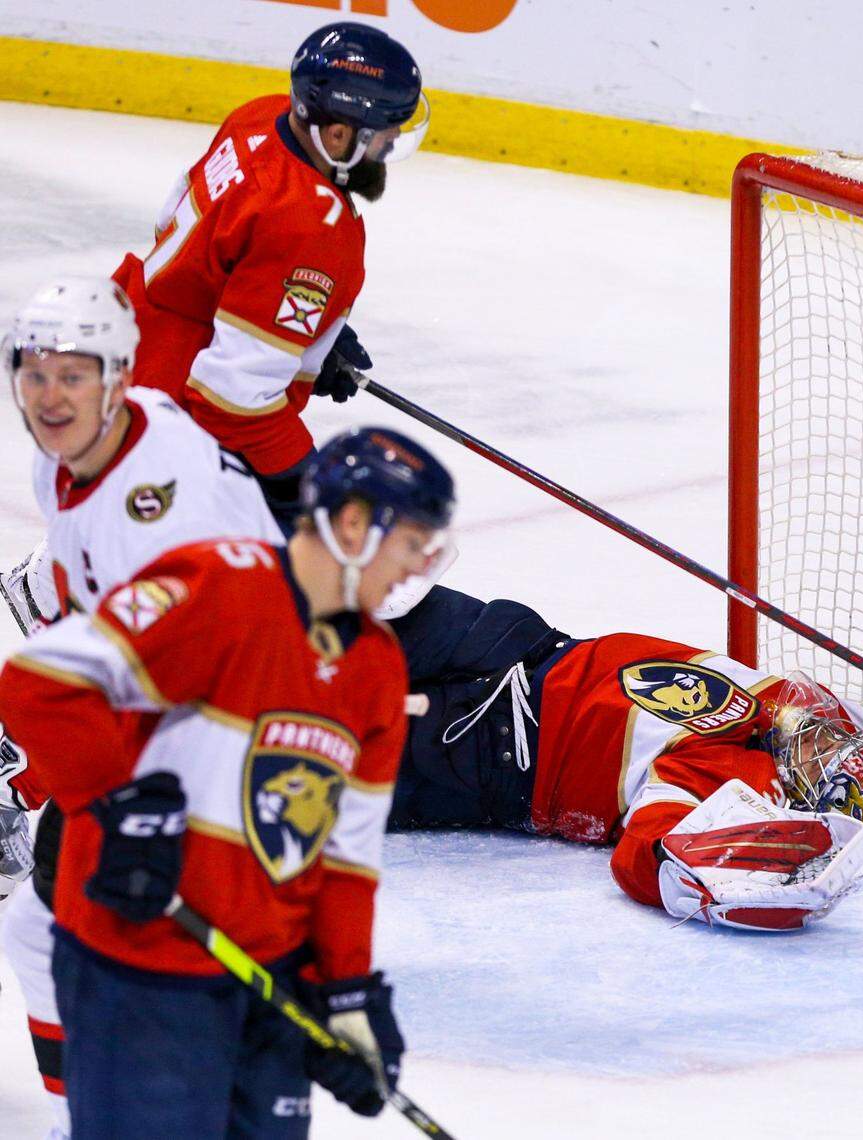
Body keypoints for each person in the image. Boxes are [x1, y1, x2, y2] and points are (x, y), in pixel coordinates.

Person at [0, 425, 456, 1137]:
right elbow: (39, 684)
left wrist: (346, 990)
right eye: (411, 545)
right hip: (140, 968)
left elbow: (346, 857)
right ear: (355, 525)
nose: (417, 569)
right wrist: (115, 809)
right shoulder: (215, 585)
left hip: (268, 986)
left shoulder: (376, 666)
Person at [387, 587, 863, 931]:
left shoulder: (732, 776)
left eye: (825, 756)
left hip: (480, 746)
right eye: (833, 738)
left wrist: (754, 875)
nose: (826, 736)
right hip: (507, 641)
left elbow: (652, 855)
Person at [0, 275, 283, 1138]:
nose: (51, 396)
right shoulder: (90, 448)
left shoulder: (156, 512)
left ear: (117, 376)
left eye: (73, 375)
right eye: (34, 371)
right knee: (46, 928)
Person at [110, 21, 430, 524]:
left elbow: (191, 234)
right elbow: (232, 398)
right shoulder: (312, 224)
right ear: (339, 134)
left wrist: (293, 333)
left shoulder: (263, 116)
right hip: (173, 417)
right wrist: (307, 484)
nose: (388, 148)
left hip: (129, 343)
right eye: (383, 137)